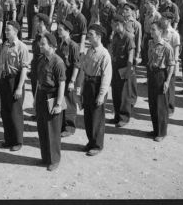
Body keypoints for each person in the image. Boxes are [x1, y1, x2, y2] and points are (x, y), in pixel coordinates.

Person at [76, 24, 112, 156]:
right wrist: (80, 89)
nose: (88, 37)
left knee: (97, 117)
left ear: (99, 36)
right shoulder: (89, 51)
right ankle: (91, 141)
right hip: (88, 85)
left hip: (97, 85)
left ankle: (97, 145)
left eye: (91, 35)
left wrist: (101, 95)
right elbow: (83, 70)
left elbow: (106, 77)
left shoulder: (104, 54)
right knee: (88, 116)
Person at [0, 20, 30, 152]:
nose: (5, 32)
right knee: (5, 112)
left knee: (15, 112)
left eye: (8, 30)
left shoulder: (22, 47)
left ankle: (17, 141)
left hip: (15, 81)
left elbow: (24, 69)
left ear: (15, 31)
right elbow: (2, 66)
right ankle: (8, 139)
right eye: (5, 29)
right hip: (5, 80)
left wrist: (20, 87)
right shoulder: (5, 45)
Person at [35, 31, 66, 171]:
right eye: (40, 43)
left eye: (43, 44)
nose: (40, 46)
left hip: (52, 96)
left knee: (52, 130)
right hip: (42, 94)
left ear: (52, 46)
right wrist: (35, 99)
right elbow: (38, 82)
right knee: (42, 127)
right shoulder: (41, 60)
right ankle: (46, 157)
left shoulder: (58, 62)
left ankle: (54, 159)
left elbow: (61, 85)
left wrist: (58, 104)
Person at [146, 22, 175, 142]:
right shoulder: (150, 43)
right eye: (151, 30)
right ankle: (155, 129)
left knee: (161, 106)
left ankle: (161, 132)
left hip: (161, 75)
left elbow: (171, 65)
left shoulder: (167, 47)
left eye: (153, 30)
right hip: (152, 74)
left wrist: (167, 81)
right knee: (152, 103)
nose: (151, 32)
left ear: (160, 32)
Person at [109, 16, 136, 128]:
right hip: (115, 67)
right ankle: (117, 116)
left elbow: (130, 55)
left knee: (124, 94)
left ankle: (124, 117)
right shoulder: (115, 36)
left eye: (115, 24)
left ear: (121, 24)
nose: (114, 27)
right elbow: (112, 51)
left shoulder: (128, 37)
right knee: (115, 93)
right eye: (113, 25)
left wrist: (128, 71)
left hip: (124, 68)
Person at [56, 20, 80, 137]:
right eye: (58, 29)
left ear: (68, 31)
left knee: (69, 102)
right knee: (60, 100)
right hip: (60, 78)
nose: (58, 31)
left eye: (61, 30)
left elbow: (76, 65)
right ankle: (60, 125)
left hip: (69, 77)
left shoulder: (73, 46)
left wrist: (72, 81)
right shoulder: (59, 43)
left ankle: (69, 127)